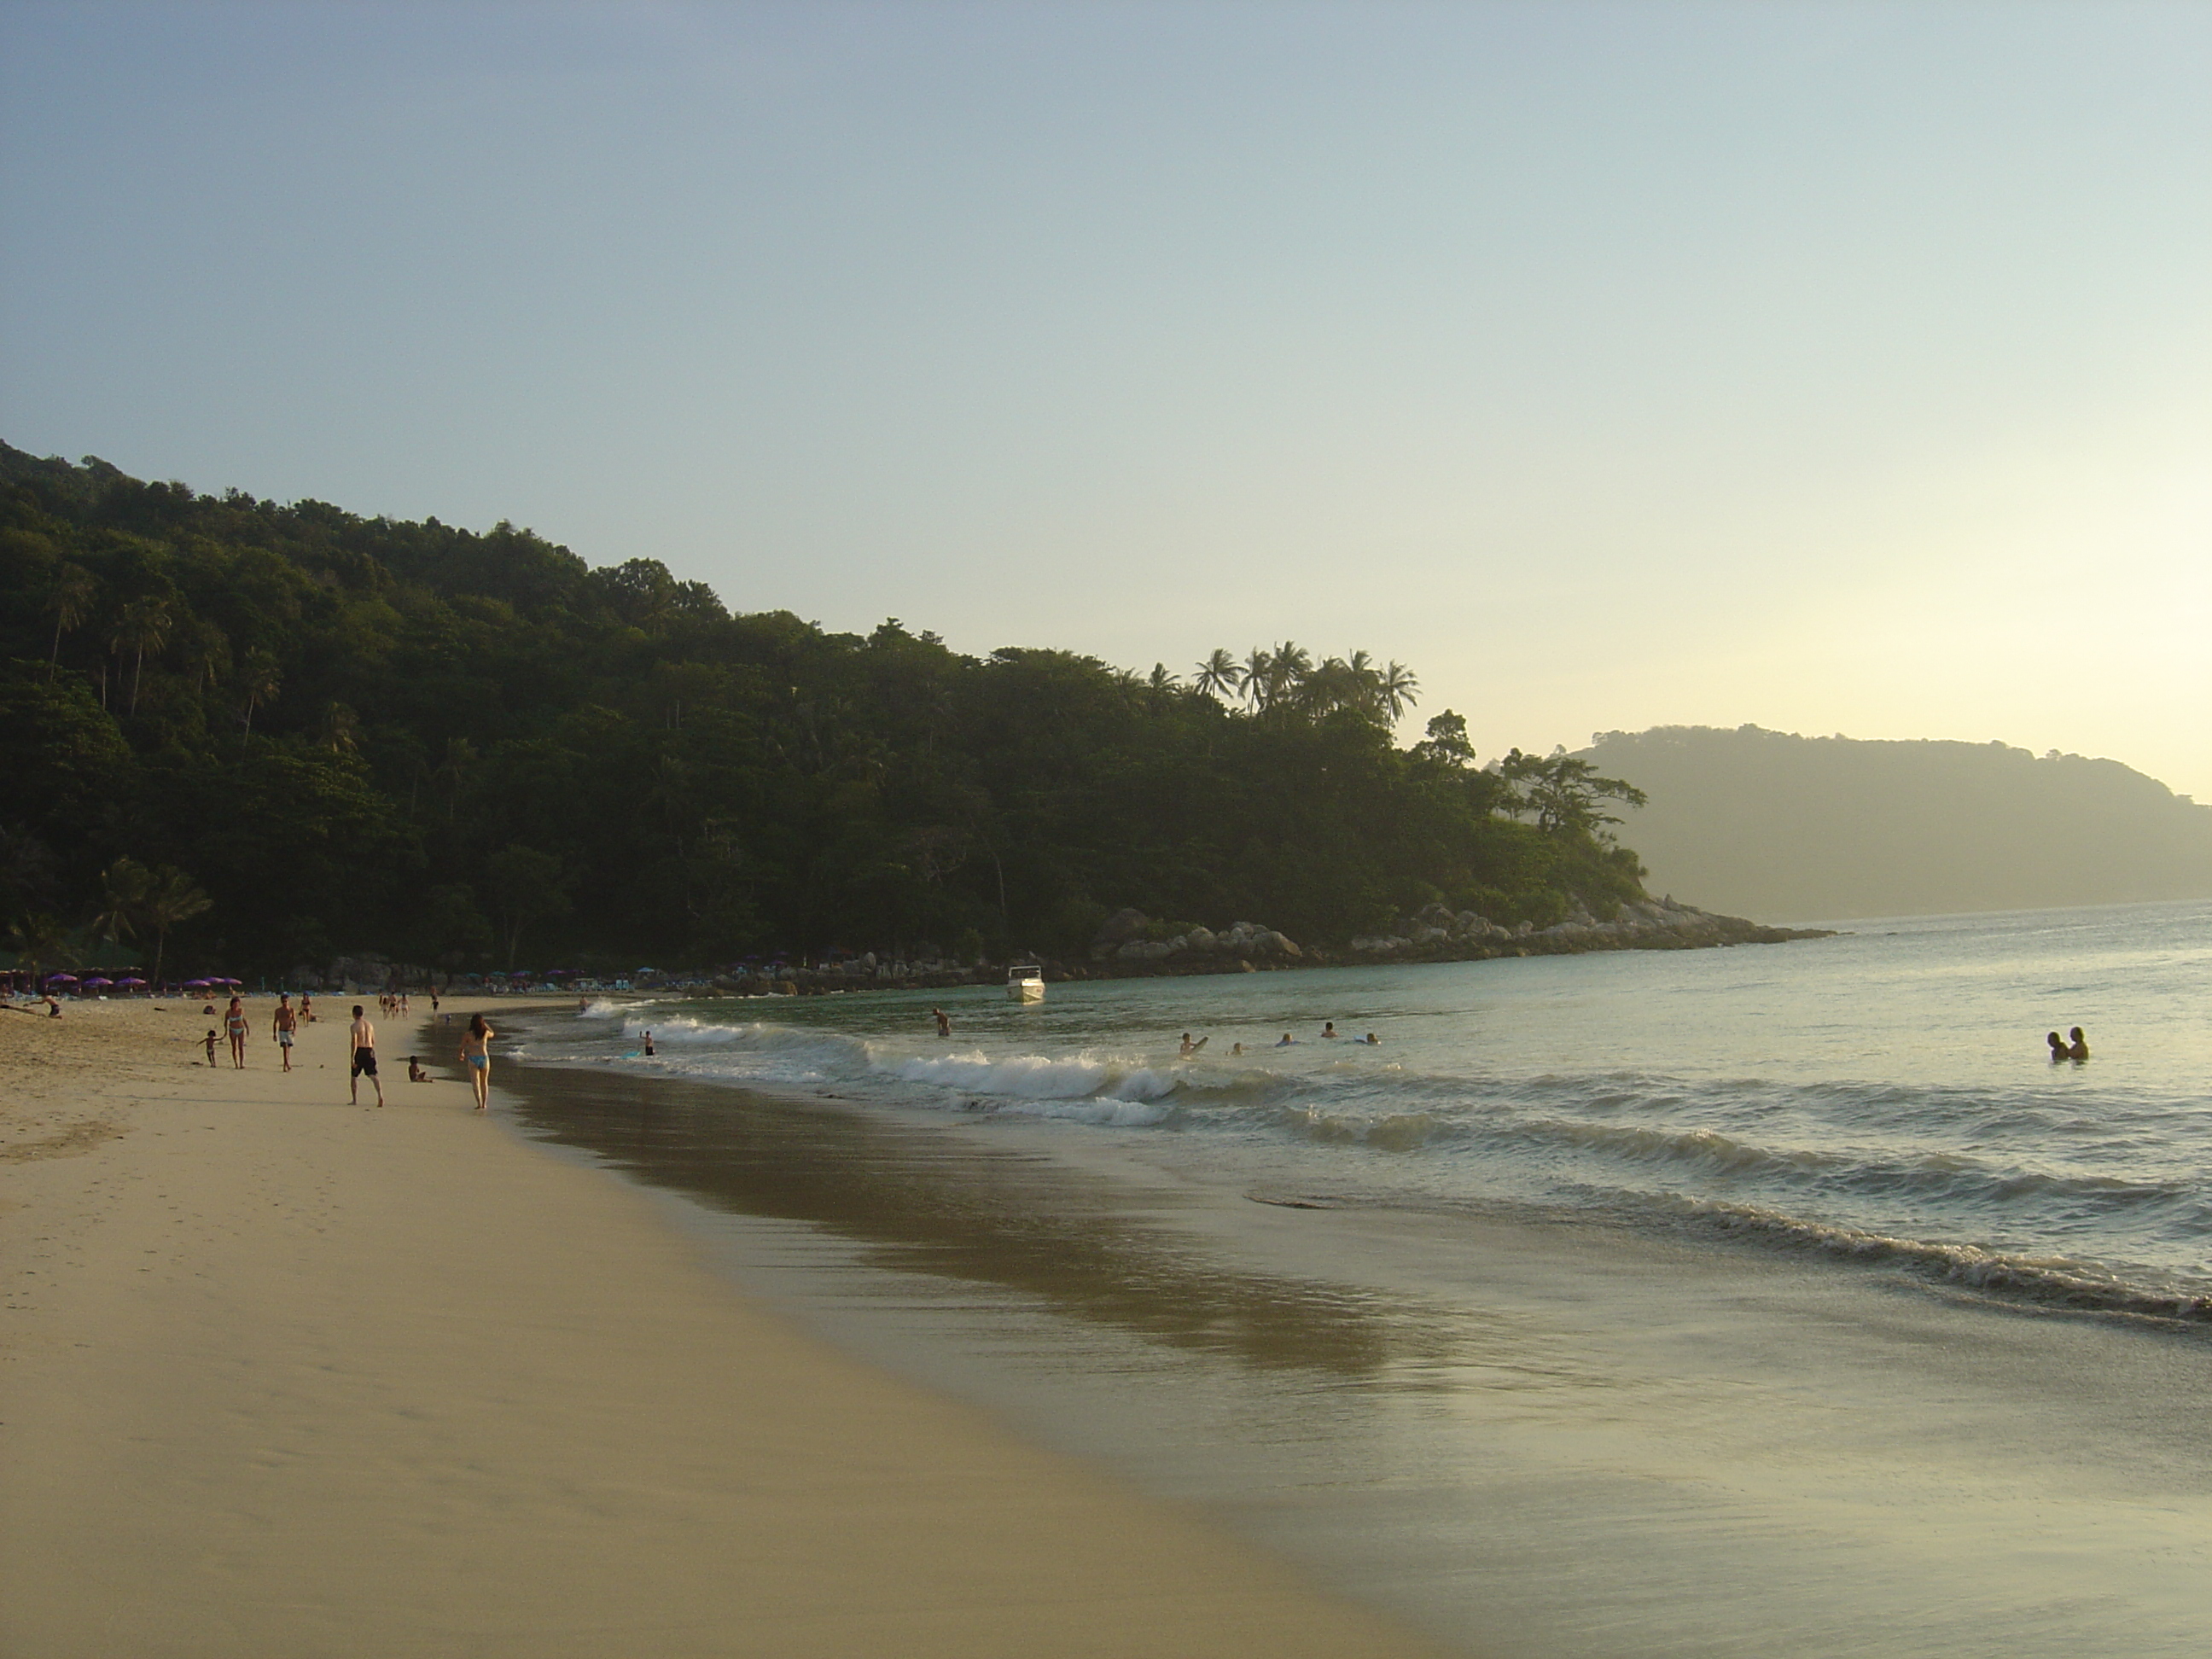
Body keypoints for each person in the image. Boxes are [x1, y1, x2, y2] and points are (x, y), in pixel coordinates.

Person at [348, 1004, 384, 1107]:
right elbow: (373, 1041)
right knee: (373, 1075)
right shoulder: (370, 1025)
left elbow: (354, 1042)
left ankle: (355, 1100)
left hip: (360, 1050)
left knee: (354, 1076)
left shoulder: (354, 1026)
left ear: (354, 1014)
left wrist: (352, 1058)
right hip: (369, 1050)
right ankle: (380, 1096)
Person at [458, 1013, 494, 1111]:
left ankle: (479, 1103)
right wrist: (485, 1024)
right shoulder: (485, 1032)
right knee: (484, 1082)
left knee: (476, 1083)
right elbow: (493, 1033)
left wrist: (461, 1054)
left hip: (473, 1058)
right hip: (484, 1058)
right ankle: (484, 1104)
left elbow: (462, 1047)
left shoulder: (468, 1034)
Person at [271, 992, 298, 1073]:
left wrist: (295, 1030)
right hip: (282, 1031)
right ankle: (286, 1064)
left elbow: (294, 1021)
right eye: (283, 1002)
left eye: (286, 1001)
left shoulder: (291, 1010)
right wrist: (274, 1034)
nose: (284, 1003)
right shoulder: (278, 1011)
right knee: (285, 1048)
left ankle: (286, 1064)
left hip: (289, 1031)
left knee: (288, 1049)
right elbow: (275, 1022)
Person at [224, 996, 249, 1068]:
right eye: (235, 1004)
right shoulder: (228, 1012)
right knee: (234, 1047)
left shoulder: (241, 1010)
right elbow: (225, 1022)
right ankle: (236, 1063)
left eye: (237, 1004)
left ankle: (241, 1063)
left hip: (241, 1029)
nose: (236, 1006)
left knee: (241, 1047)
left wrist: (247, 1028)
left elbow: (244, 1019)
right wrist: (226, 1031)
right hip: (232, 1029)